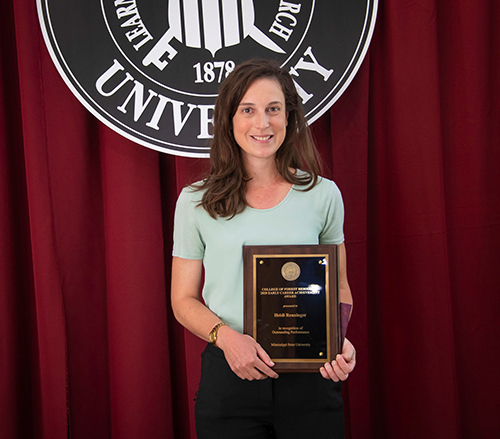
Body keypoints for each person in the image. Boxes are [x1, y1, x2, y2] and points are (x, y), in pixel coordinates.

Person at [171, 58, 356, 438]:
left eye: (273, 109)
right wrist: (227, 338)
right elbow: (183, 300)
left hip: (310, 380)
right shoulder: (194, 202)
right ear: (229, 120)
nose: (262, 123)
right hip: (230, 377)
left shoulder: (323, 195)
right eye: (248, 110)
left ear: (289, 117)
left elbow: (338, 287)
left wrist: (338, 341)